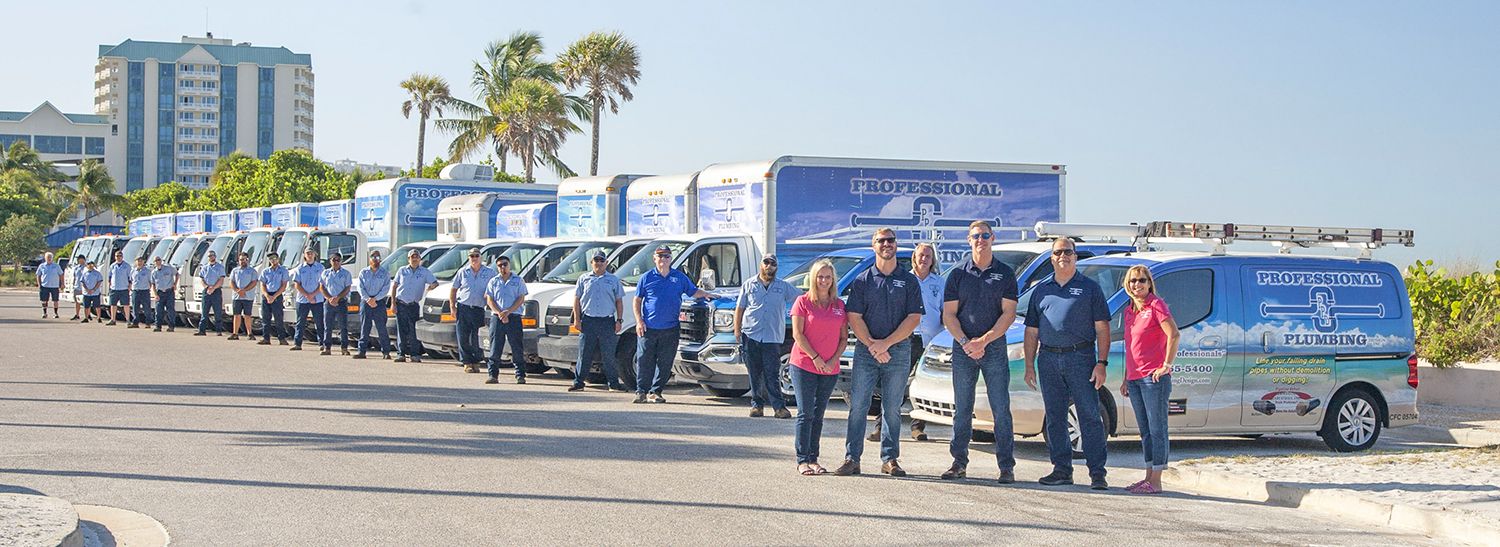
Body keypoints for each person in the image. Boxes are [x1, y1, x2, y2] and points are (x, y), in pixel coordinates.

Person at [1023, 237, 1113, 490]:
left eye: (1068, 252)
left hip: (1081, 358)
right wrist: (1030, 365)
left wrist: (1102, 363)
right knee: (1055, 417)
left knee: (1089, 415)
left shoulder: (1090, 288)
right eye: (1058, 252)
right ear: (1051, 257)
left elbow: (1102, 328)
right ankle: (1062, 469)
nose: (1063, 256)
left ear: (1075, 256)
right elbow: (1031, 331)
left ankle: (1097, 473)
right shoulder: (1041, 289)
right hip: (1049, 358)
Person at [834, 228, 924, 478]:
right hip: (866, 352)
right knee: (859, 406)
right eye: (881, 241)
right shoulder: (863, 280)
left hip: (898, 351)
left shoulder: (908, 280)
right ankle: (852, 458)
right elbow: (854, 316)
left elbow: (913, 318)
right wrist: (873, 344)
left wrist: (885, 344)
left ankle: (890, 459)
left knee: (892, 408)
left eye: (891, 240)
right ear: (873, 246)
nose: (887, 244)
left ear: (896, 244)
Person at [939, 221, 1020, 483]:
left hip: (994, 347)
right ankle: (958, 462)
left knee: (1000, 407)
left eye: (985, 235)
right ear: (969, 240)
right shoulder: (957, 274)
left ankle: (1006, 466)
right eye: (976, 236)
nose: (981, 240)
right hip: (963, 348)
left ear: (993, 238)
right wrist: (965, 342)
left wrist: (984, 340)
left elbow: (1008, 314)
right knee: (963, 408)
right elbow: (949, 314)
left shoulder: (1005, 273)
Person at [871, 243, 940, 441]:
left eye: (928, 256)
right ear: (914, 258)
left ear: (932, 259)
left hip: (931, 340)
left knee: (923, 384)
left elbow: (946, 312)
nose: (924, 259)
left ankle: (918, 427)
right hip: (906, 337)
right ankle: (880, 426)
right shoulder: (904, 280)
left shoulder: (940, 283)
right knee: (896, 384)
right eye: (921, 255)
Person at [1119, 265, 1179, 495]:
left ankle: (1156, 480)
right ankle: (1147, 477)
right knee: (1144, 429)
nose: (1137, 284)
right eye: (1133, 281)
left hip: (1153, 378)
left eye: (1142, 280)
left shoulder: (1156, 305)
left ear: (1149, 283)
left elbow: (1174, 334)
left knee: (1157, 428)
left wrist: (1166, 365)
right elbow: (1131, 347)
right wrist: (1126, 378)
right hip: (1134, 379)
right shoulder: (1130, 311)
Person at [632, 246, 713, 404]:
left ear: (671, 259)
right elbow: (637, 300)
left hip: (670, 328)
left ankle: (656, 392)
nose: (663, 259)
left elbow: (693, 291)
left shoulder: (679, 277)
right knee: (644, 360)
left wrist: (707, 294)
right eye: (660, 256)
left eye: (667, 256)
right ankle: (641, 391)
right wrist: (639, 321)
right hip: (648, 327)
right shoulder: (646, 277)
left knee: (665, 362)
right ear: (654, 258)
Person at [789, 259, 848, 476]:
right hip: (804, 365)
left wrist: (833, 359)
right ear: (813, 278)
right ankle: (802, 459)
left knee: (819, 414)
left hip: (829, 368)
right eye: (820, 276)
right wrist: (815, 357)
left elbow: (843, 338)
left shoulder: (839, 306)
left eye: (828, 277)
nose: (824, 280)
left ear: (833, 280)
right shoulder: (802, 302)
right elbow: (798, 334)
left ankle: (814, 458)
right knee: (805, 413)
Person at [734, 253, 802, 419]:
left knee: (772, 373)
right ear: (761, 265)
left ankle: (779, 407)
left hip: (772, 337)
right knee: (754, 373)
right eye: (766, 262)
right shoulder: (749, 285)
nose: (769, 266)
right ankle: (757, 405)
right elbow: (740, 308)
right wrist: (737, 330)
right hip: (751, 334)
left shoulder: (783, 287)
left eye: (773, 263)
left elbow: (802, 297)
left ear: (776, 267)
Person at [569, 251, 626, 392]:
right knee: (584, 353)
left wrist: (619, 320)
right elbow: (577, 300)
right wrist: (577, 319)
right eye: (596, 260)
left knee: (609, 354)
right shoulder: (583, 279)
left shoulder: (613, 280)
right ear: (591, 262)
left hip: (607, 321)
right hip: (588, 321)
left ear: (606, 263)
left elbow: (619, 301)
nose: (599, 263)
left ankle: (613, 384)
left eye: (602, 260)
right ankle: (578, 383)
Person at [449, 248, 496, 373]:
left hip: (479, 309)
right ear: (469, 258)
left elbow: (495, 288)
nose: (474, 258)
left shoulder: (490, 272)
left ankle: (476, 361)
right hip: (463, 307)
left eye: (476, 256)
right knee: (463, 336)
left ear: (481, 257)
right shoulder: (463, 272)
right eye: (471, 256)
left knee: (477, 337)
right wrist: (452, 307)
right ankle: (466, 362)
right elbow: (454, 289)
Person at [484, 255, 528, 384]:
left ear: (509, 265)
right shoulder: (493, 281)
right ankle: (493, 375)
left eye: (505, 264)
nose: (503, 267)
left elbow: (521, 298)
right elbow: (489, 299)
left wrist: (508, 311)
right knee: (495, 346)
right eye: (500, 265)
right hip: (497, 317)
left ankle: (520, 375)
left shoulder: (518, 280)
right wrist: (500, 313)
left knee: (517, 347)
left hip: (513, 317)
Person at [391, 249, 438, 363]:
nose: (415, 259)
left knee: (413, 331)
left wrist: (431, 287)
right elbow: (394, 287)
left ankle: (414, 354)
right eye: (412, 257)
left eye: (417, 257)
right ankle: (401, 354)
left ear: (420, 259)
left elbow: (435, 282)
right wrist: (393, 303)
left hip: (413, 305)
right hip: (401, 303)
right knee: (401, 330)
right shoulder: (402, 271)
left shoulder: (424, 272)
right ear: (408, 259)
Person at [353, 251, 393, 360]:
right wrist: (368, 299)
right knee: (365, 327)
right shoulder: (363, 272)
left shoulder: (384, 273)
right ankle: (361, 351)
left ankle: (386, 352)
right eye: (373, 257)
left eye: (377, 257)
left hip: (379, 302)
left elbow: (386, 288)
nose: (375, 259)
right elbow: (360, 287)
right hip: (366, 302)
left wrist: (375, 299)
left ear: (380, 259)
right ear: (369, 259)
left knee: (381, 328)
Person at [289, 249, 326, 351]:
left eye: (311, 253)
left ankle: (322, 343)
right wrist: (307, 295)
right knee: (300, 322)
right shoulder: (299, 268)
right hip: (302, 299)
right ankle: (297, 343)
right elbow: (297, 284)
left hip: (317, 299)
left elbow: (322, 284)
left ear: (315, 255)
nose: (309, 255)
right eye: (307, 253)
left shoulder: (320, 268)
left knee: (319, 322)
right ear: (304, 255)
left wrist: (313, 295)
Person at [320, 253, 353, 356]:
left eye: (338, 260)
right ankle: (327, 347)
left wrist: (338, 298)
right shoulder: (325, 273)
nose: (336, 262)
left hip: (341, 302)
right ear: (330, 261)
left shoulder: (346, 273)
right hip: (328, 302)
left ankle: (344, 348)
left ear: (341, 261)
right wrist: (329, 298)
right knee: (327, 326)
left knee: (343, 327)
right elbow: (322, 287)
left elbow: (347, 288)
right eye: (334, 260)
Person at [259, 253, 290, 346]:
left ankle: (282, 338)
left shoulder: (283, 270)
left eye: (274, 258)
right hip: (267, 295)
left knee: (278, 318)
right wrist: (267, 295)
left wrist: (274, 296)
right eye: (271, 259)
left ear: (278, 259)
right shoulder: (265, 271)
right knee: (265, 318)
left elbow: (284, 285)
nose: (273, 260)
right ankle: (266, 338)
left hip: (277, 295)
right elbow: (263, 284)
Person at [228, 252, 259, 340]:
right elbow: (231, 282)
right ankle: (235, 333)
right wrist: (237, 290)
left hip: (248, 296)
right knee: (236, 315)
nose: (243, 261)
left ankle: (249, 334)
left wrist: (244, 290)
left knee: (247, 315)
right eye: (241, 259)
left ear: (247, 260)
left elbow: (254, 282)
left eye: (244, 259)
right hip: (237, 296)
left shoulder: (252, 271)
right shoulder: (235, 271)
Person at [195, 251, 227, 336]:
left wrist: (214, 288)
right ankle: (202, 330)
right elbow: (201, 279)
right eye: (209, 256)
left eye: (212, 255)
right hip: (207, 290)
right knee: (204, 312)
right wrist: (206, 287)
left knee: (217, 312)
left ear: (215, 256)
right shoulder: (205, 267)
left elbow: (221, 280)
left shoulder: (220, 267)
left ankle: (218, 331)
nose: (210, 257)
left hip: (216, 291)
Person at [149, 256, 178, 332]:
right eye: (156, 261)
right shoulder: (154, 272)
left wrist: (175, 284)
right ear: (154, 263)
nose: (157, 261)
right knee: (158, 310)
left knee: (170, 310)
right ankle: (158, 326)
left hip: (169, 292)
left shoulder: (168, 268)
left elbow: (177, 274)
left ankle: (171, 326)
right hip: (160, 293)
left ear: (161, 261)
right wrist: (155, 295)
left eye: (159, 260)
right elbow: (153, 284)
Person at [106, 250, 132, 326]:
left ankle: (128, 320)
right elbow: (110, 277)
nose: (118, 257)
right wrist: (110, 286)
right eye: (117, 256)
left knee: (126, 305)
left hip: (124, 288)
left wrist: (129, 286)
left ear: (122, 257)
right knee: (113, 305)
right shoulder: (112, 266)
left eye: (120, 256)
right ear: (115, 257)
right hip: (114, 288)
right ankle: (113, 319)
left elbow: (130, 277)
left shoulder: (127, 266)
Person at [35, 252, 62, 319]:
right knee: (44, 300)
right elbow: (38, 275)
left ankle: (55, 313)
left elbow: (61, 274)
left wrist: (62, 283)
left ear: (52, 258)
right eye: (47, 257)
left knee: (55, 300)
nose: (49, 259)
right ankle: (45, 313)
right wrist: (39, 284)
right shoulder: (42, 266)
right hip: (44, 286)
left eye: (50, 257)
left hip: (54, 286)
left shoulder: (56, 266)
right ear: (45, 258)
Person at [128, 256, 152, 328]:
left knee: (146, 308)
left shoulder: (147, 271)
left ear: (143, 262)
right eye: (138, 261)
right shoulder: (133, 271)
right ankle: (135, 323)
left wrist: (148, 288)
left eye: (141, 261)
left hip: (144, 291)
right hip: (135, 291)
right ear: (135, 262)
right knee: (135, 308)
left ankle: (148, 323)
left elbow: (150, 282)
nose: (139, 262)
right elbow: (131, 281)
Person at [69, 254, 86, 320]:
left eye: (82, 259)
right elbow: (74, 277)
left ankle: (87, 315)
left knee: (86, 302)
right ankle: (77, 314)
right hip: (77, 286)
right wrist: (73, 285)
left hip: (84, 287)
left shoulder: (86, 267)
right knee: (77, 302)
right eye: (79, 259)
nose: (81, 261)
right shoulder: (76, 268)